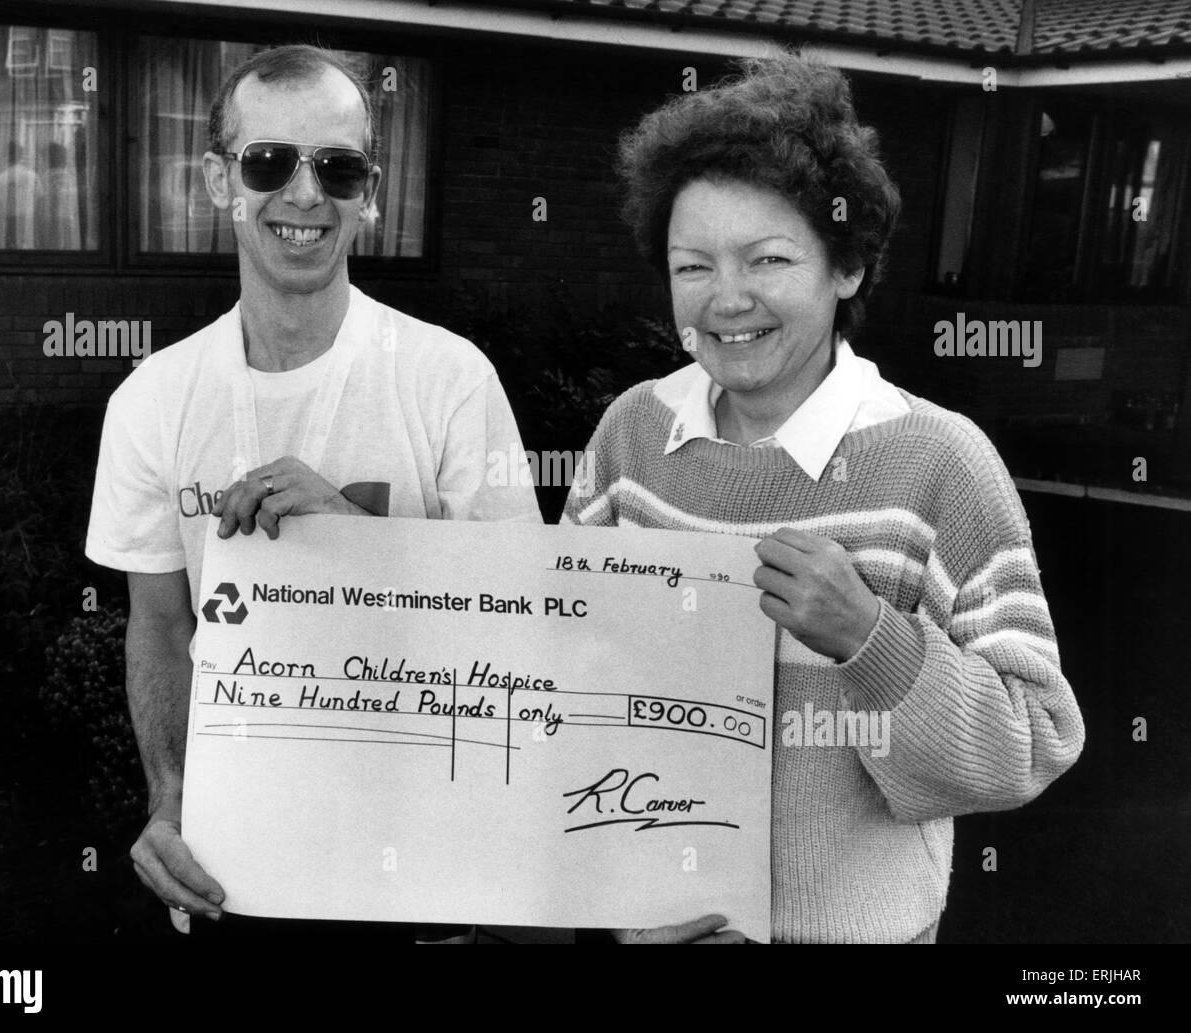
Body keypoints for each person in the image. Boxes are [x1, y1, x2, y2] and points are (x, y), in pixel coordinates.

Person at [563, 54, 1085, 944]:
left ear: (846, 267)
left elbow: (1029, 743)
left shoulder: (939, 463)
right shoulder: (631, 438)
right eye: (692, 266)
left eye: (768, 258)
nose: (726, 299)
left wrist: (872, 641)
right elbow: (565, 677)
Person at [85, 45, 540, 942]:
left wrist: (356, 545)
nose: (304, 195)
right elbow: (163, 626)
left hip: (419, 868)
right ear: (219, 179)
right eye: (268, 163)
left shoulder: (449, 378)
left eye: (337, 167)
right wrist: (171, 804)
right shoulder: (152, 401)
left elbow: (520, 615)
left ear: (369, 191)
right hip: (238, 869)